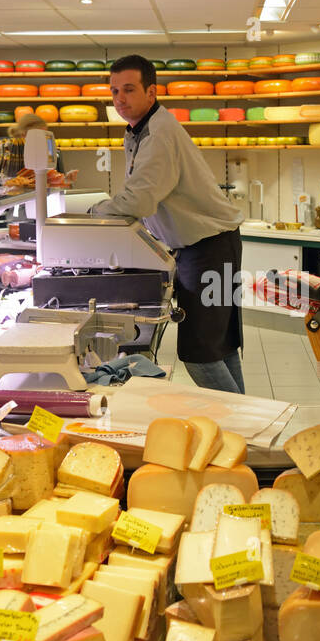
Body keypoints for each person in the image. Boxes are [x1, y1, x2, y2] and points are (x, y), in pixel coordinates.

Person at [90, 55, 246, 394]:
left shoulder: (158, 135)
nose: (120, 99)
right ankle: (247, 425)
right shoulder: (140, 130)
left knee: (200, 354)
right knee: (220, 346)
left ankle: (242, 428)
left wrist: (95, 211)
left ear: (151, 92)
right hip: (213, 246)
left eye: (129, 90)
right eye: (114, 91)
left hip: (209, 250)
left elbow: (139, 201)